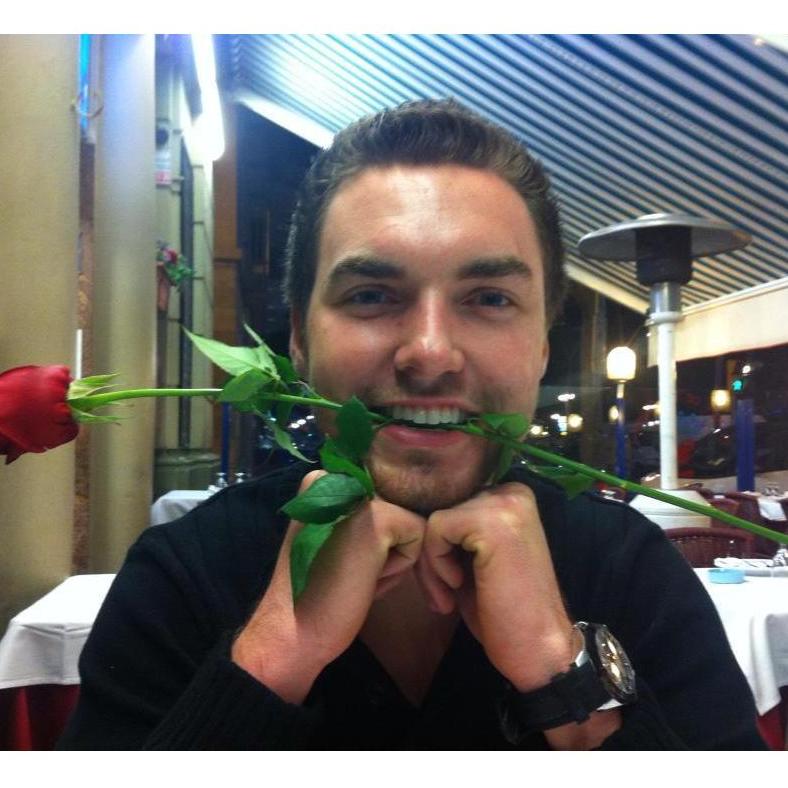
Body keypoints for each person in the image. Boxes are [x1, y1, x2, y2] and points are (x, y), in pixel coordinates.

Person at [58, 99, 765, 750]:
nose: (430, 352)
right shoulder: (183, 572)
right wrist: (274, 656)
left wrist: (562, 672)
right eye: (371, 295)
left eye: (488, 298)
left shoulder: (630, 568)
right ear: (299, 339)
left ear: (543, 346)